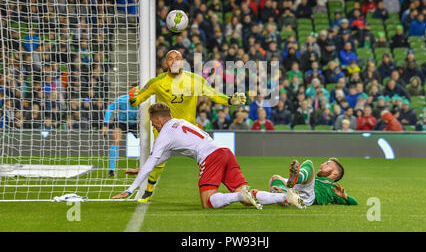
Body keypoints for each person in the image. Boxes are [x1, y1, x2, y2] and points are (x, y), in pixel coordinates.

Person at [112, 102, 306, 210]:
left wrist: (130, 190)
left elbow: (155, 158)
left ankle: (240, 194)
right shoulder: (180, 122)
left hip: (211, 158)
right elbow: (165, 155)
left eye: (153, 120)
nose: (152, 124)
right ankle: (285, 197)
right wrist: (144, 168)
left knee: (208, 202)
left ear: (160, 119)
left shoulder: (164, 133)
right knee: (247, 201)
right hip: (226, 152)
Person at [127, 50, 246, 202]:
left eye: (177, 58)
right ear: (166, 63)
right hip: (165, 128)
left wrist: (230, 101)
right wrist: (132, 98)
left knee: (208, 158)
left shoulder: (195, 80)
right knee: (157, 161)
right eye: (170, 59)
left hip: (189, 130)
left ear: (182, 62)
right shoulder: (157, 82)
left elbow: (214, 95)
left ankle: (234, 187)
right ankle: (149, 190)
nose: (174, 61)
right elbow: (137, 100)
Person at [269, 158, 358, 207]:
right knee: (275, 178)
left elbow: (355, 202)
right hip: (297, 194)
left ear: (335, 173)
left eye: (327, 164)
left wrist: (345, 197)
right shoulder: (315, 179)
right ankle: (283, 197)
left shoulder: (334, 187)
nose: (322, 165)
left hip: (309, 197)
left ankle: (297, 178)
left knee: (309, 163)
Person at [102, 86, 139, 176]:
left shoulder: (143, 102)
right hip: (121, 122)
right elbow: (110, 108)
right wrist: (105, 124)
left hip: (135, 124)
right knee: (116, 140)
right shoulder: (122, 99)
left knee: (145, 141)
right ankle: (111, 170)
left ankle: (146, 167)